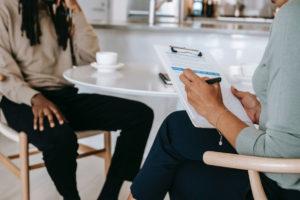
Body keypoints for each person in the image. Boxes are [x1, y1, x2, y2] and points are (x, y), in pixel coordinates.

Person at [129, 0, 300, 199]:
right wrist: (263, 112)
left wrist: (215, 111)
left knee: (177, 129)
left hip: (285, 189)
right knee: (183, 150)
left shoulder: (294, 13)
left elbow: (283, 160)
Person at [0, 0, 154, 199]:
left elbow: (90, 57)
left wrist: (77, 11)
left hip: (64, 95)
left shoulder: (60, 10)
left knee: (140, 115)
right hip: (21, 99)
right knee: (61, 139)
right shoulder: (5, 8)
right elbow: (3, 75)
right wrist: (34, 97)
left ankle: (110, 194)